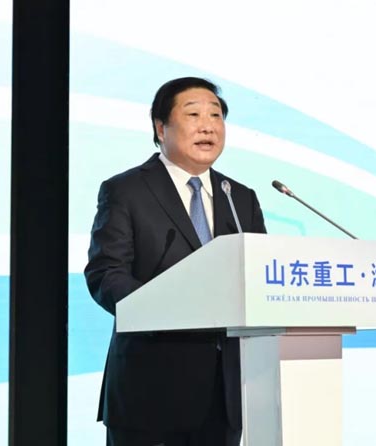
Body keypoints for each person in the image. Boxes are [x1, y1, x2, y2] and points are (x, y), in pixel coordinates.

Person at [84, 77, 267, 446]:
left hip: (224, 398)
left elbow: (261, 277)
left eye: (216, 116)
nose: (208, 126)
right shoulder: (126, 190)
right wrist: (163, 308)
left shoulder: (239, 197)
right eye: (194, 114)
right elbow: (106, 273)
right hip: (150, 391)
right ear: (160, 128)